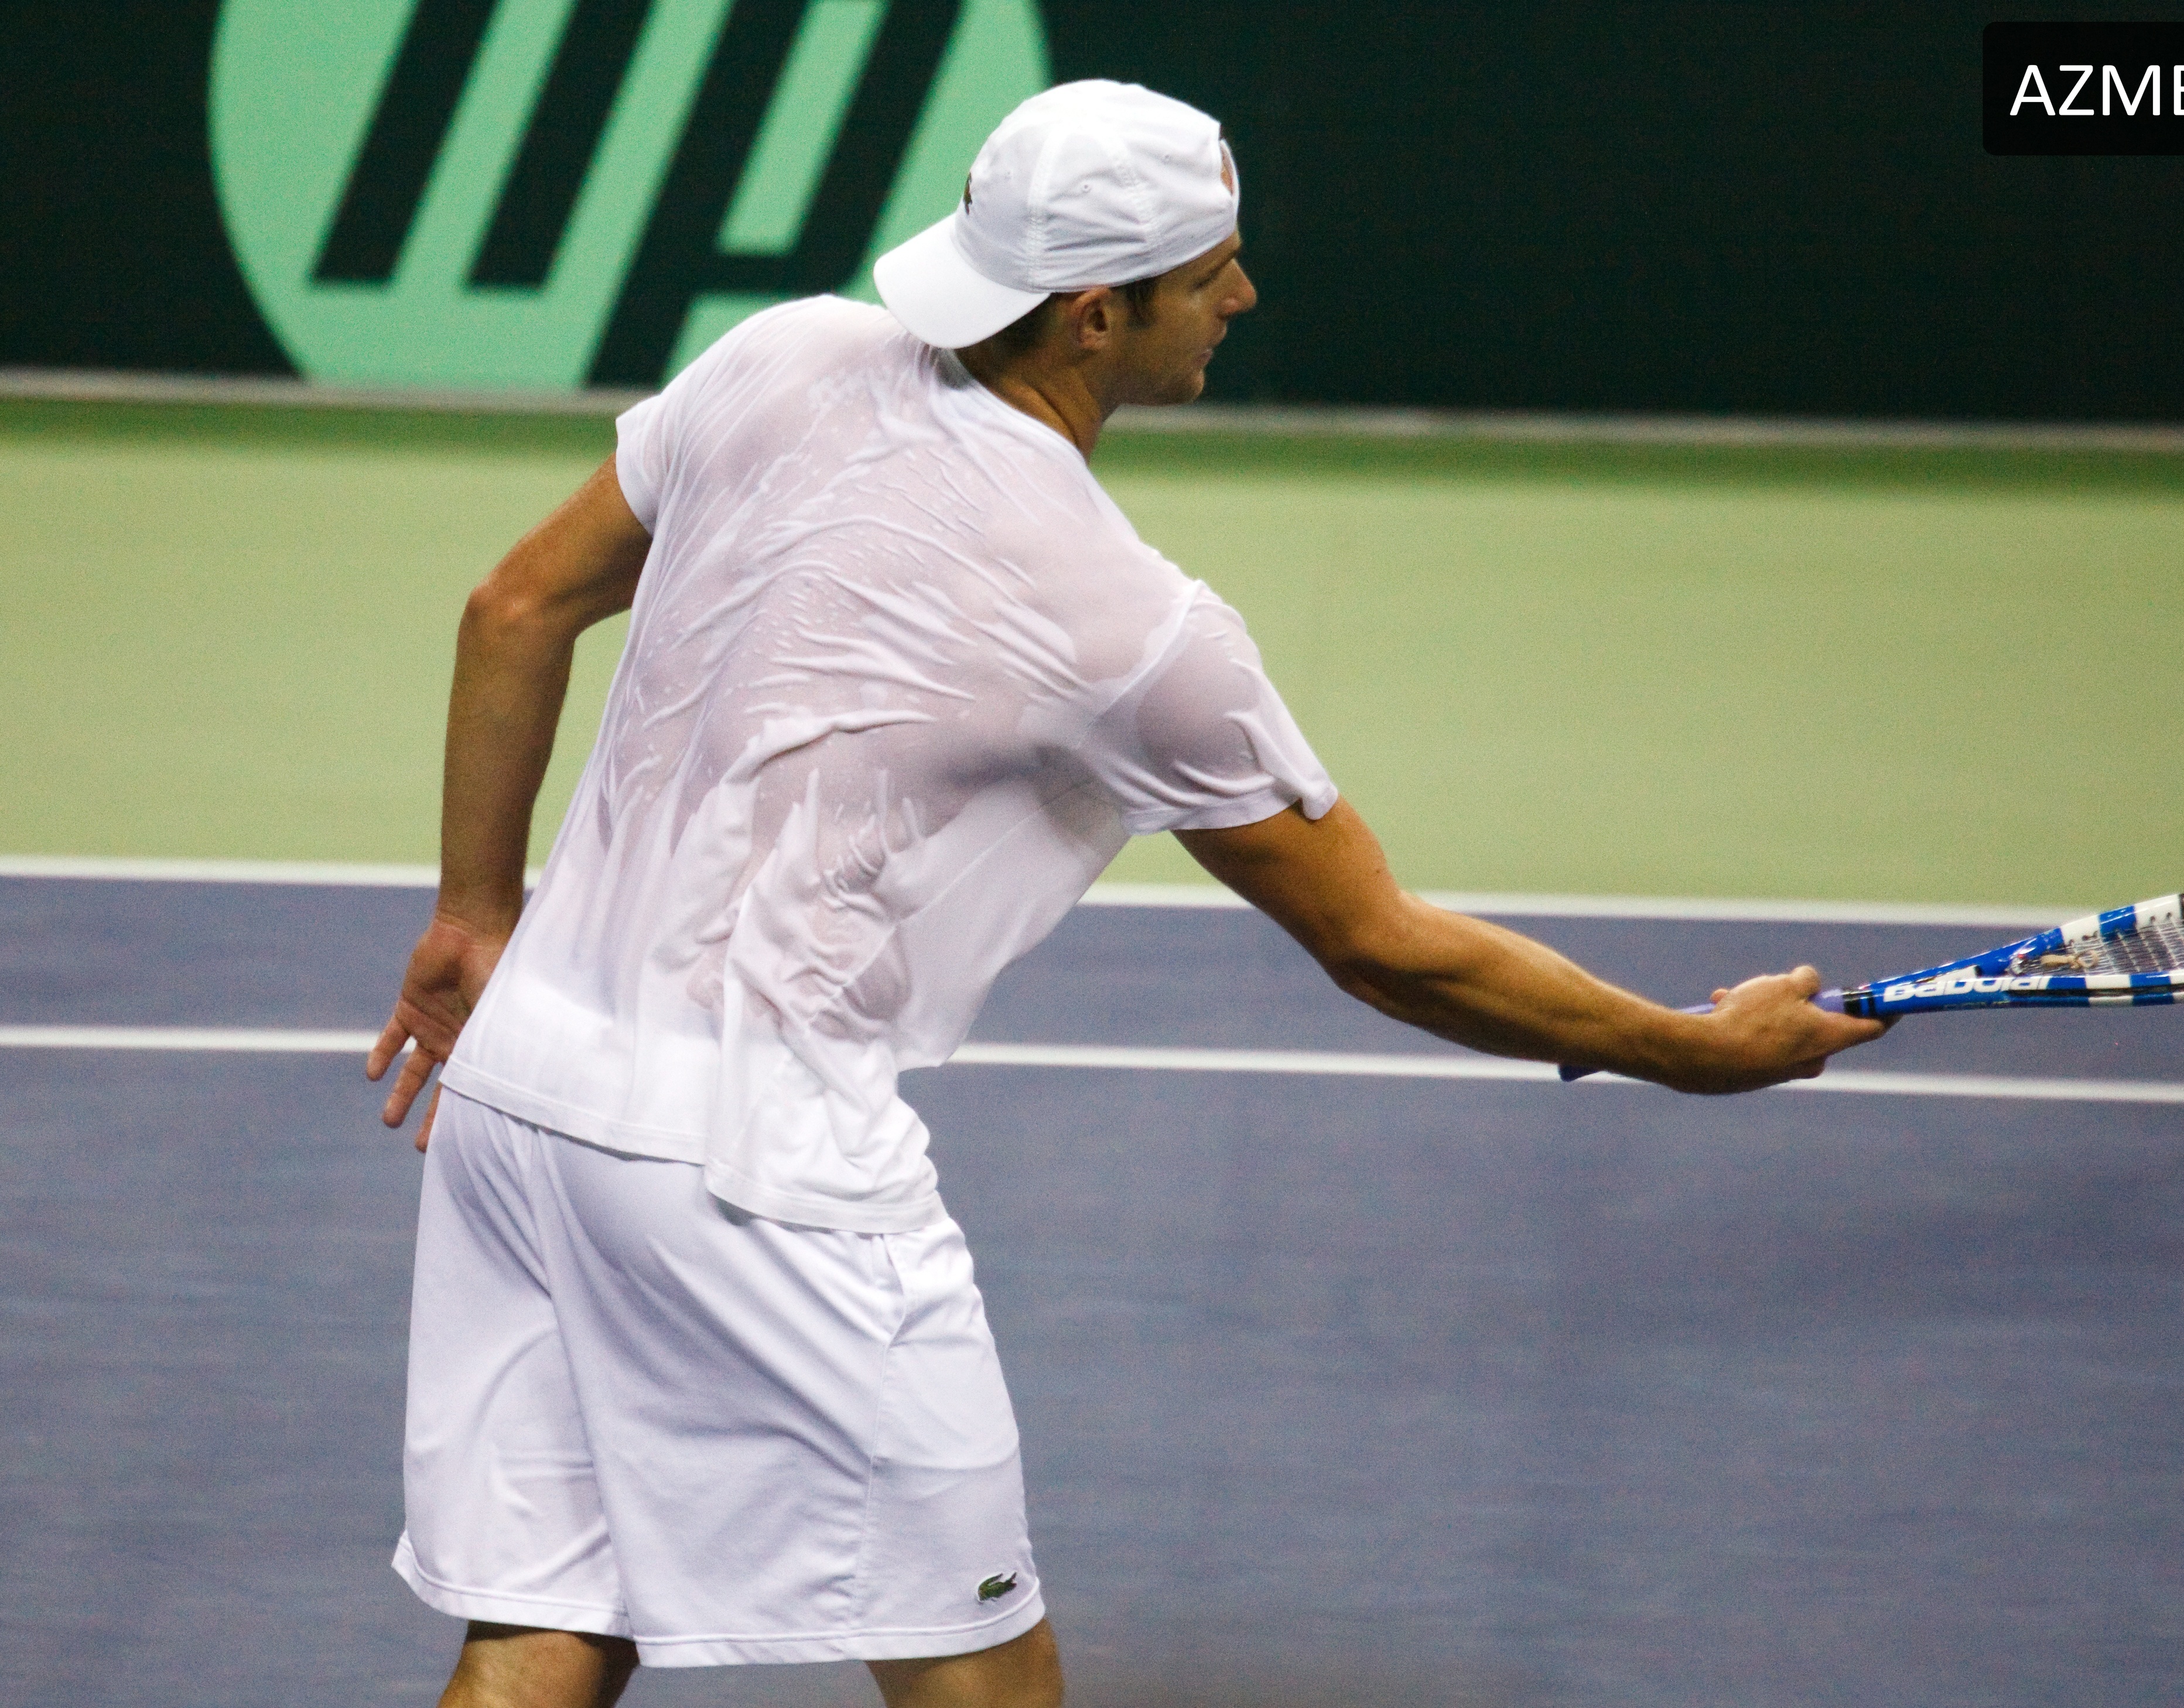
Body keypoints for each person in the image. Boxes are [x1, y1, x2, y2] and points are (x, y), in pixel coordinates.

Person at [365, 80, 1886, 1707]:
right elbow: (1380, 947)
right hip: (753, 1162)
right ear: (1097, 314)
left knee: (552, 1626)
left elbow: (514, 606)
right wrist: (1684, 1046)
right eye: (1211, 273)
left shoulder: (777, 356)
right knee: (981, 1676)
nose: (1245, 296)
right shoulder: (1131, 626)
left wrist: (472, 919)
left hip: (520, 1094)